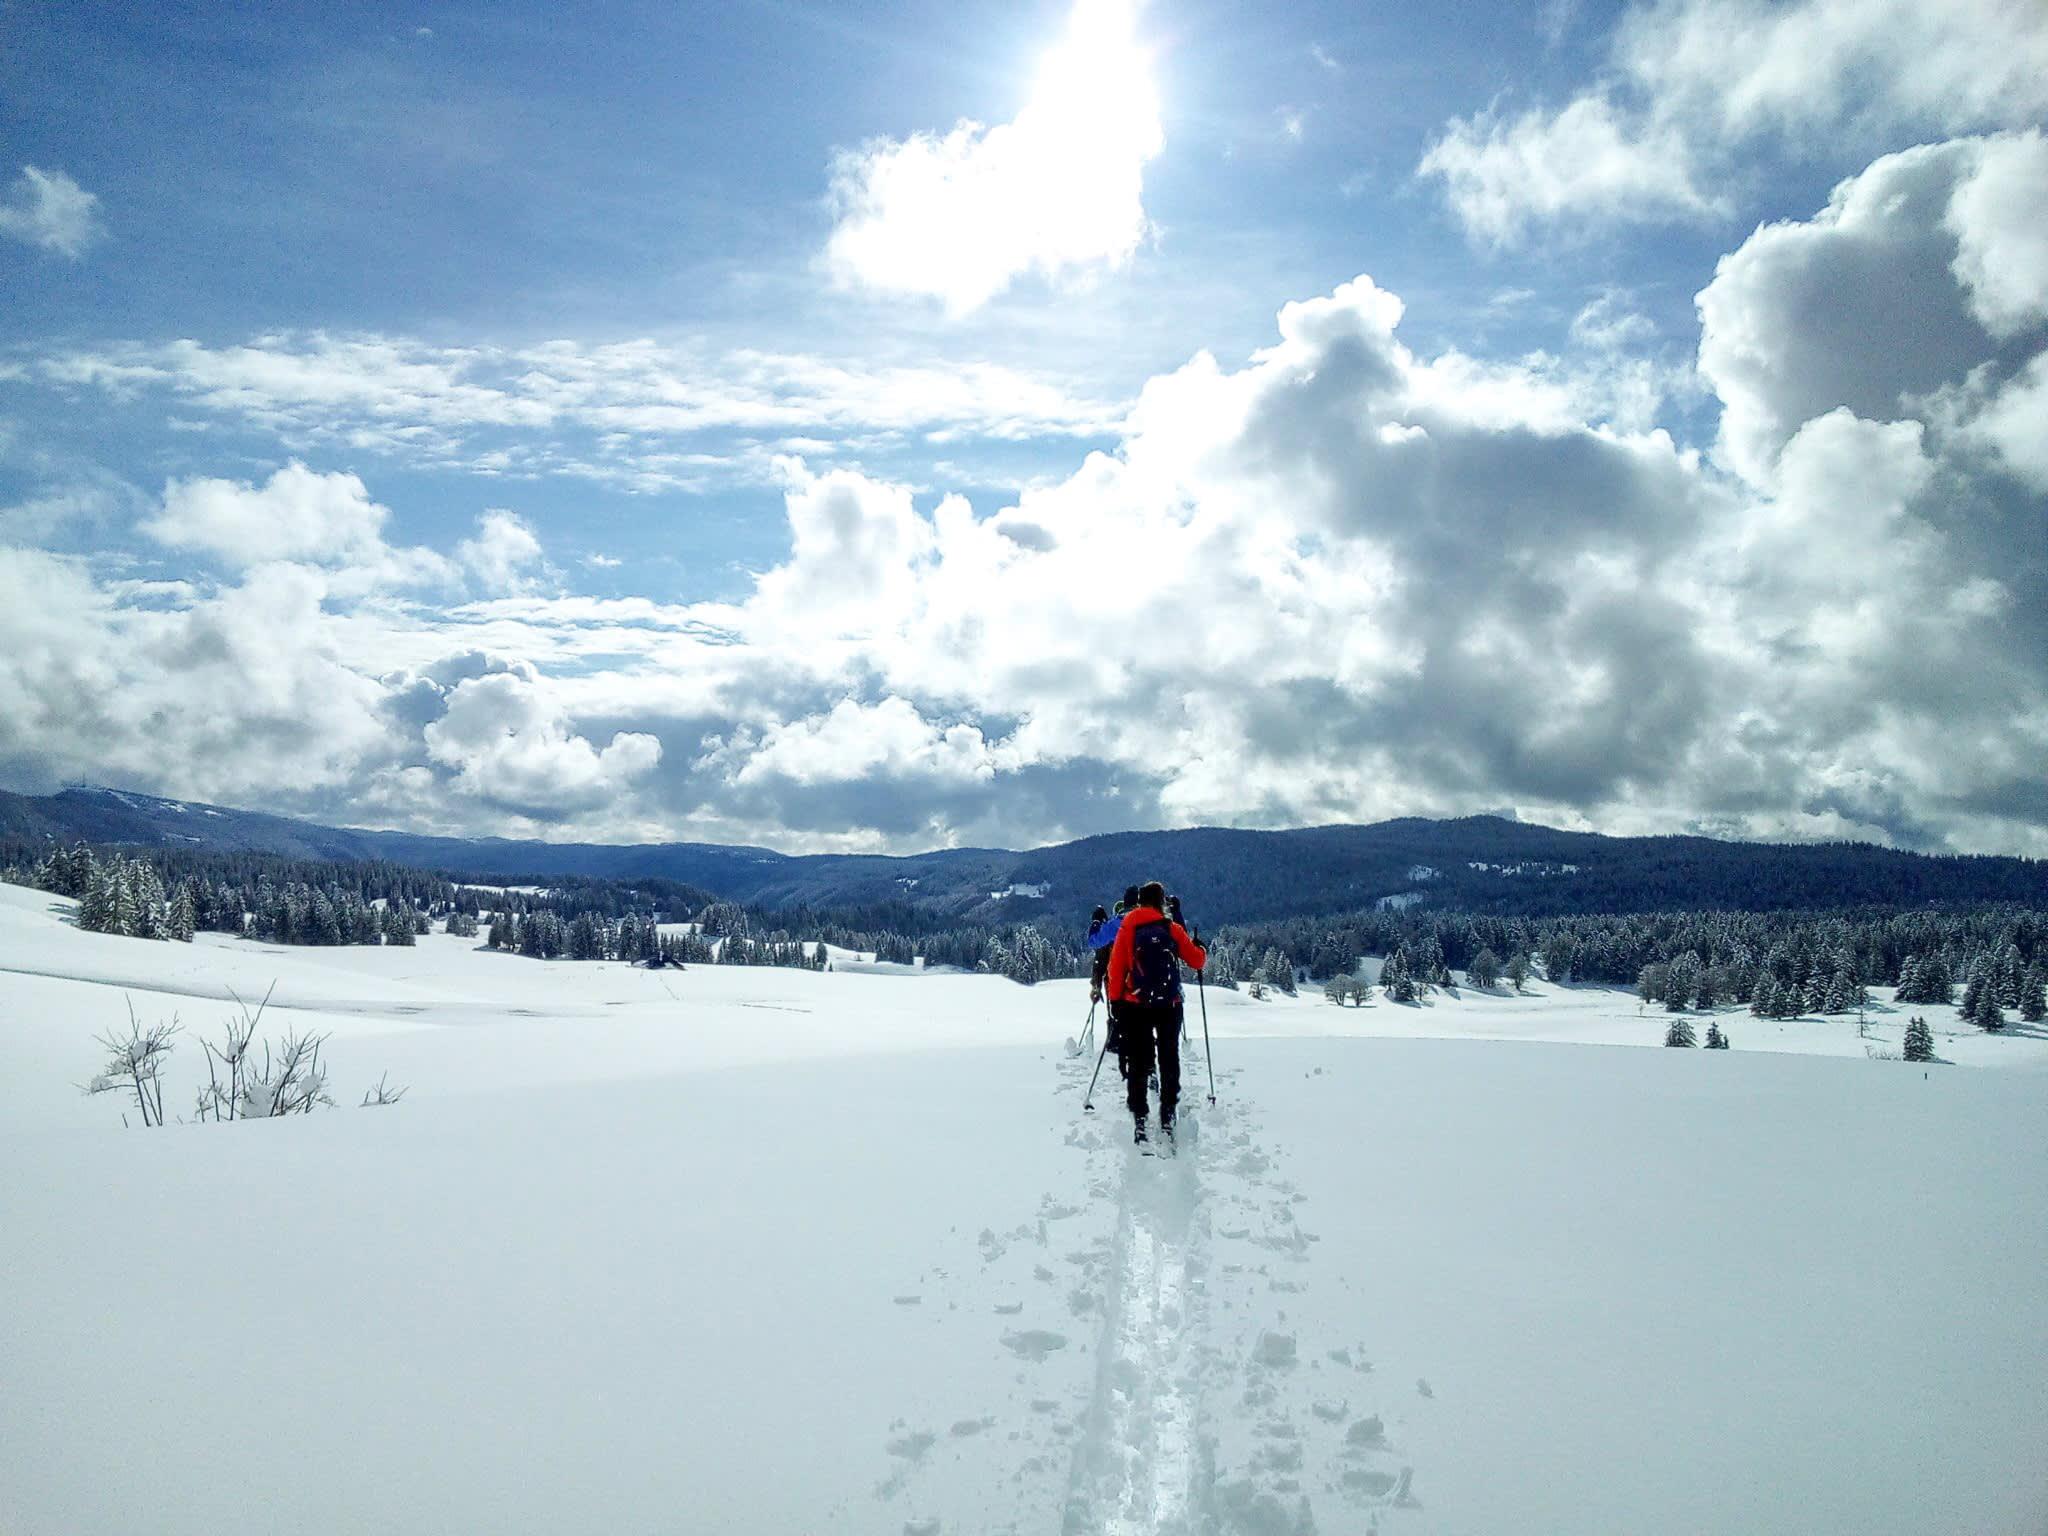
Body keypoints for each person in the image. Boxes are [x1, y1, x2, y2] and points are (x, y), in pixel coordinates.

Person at [1105, 880, 1206, 1146]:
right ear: (1161, 902)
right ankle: (1167, 1116)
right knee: (1169, 1058)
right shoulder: (1170, 928)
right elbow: (1196, 960)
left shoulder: (1128, 927)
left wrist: (1116, 1002)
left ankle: (1140, 1121)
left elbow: (1115, 968)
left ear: (1139, 902)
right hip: (1169, 1004)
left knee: (1139, 1062)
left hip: (1135, 1004)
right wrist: (1201, 948)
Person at [1089, 886, 1142, 1077]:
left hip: (1118, 980)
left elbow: (1095, 943)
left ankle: (1118, 1042)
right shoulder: (1154, 923)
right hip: (1146, 981)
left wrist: (1096, 922)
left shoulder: (1116, 925)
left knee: (1119, 1013)